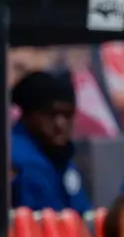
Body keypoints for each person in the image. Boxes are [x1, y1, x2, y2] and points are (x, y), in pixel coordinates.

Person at [10, 71, 91, 214]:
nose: (60, 124)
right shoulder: (17, 158)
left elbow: (83, 215)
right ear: (28, 115)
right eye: (51, 114)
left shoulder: (62, 160)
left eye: (67, 115)